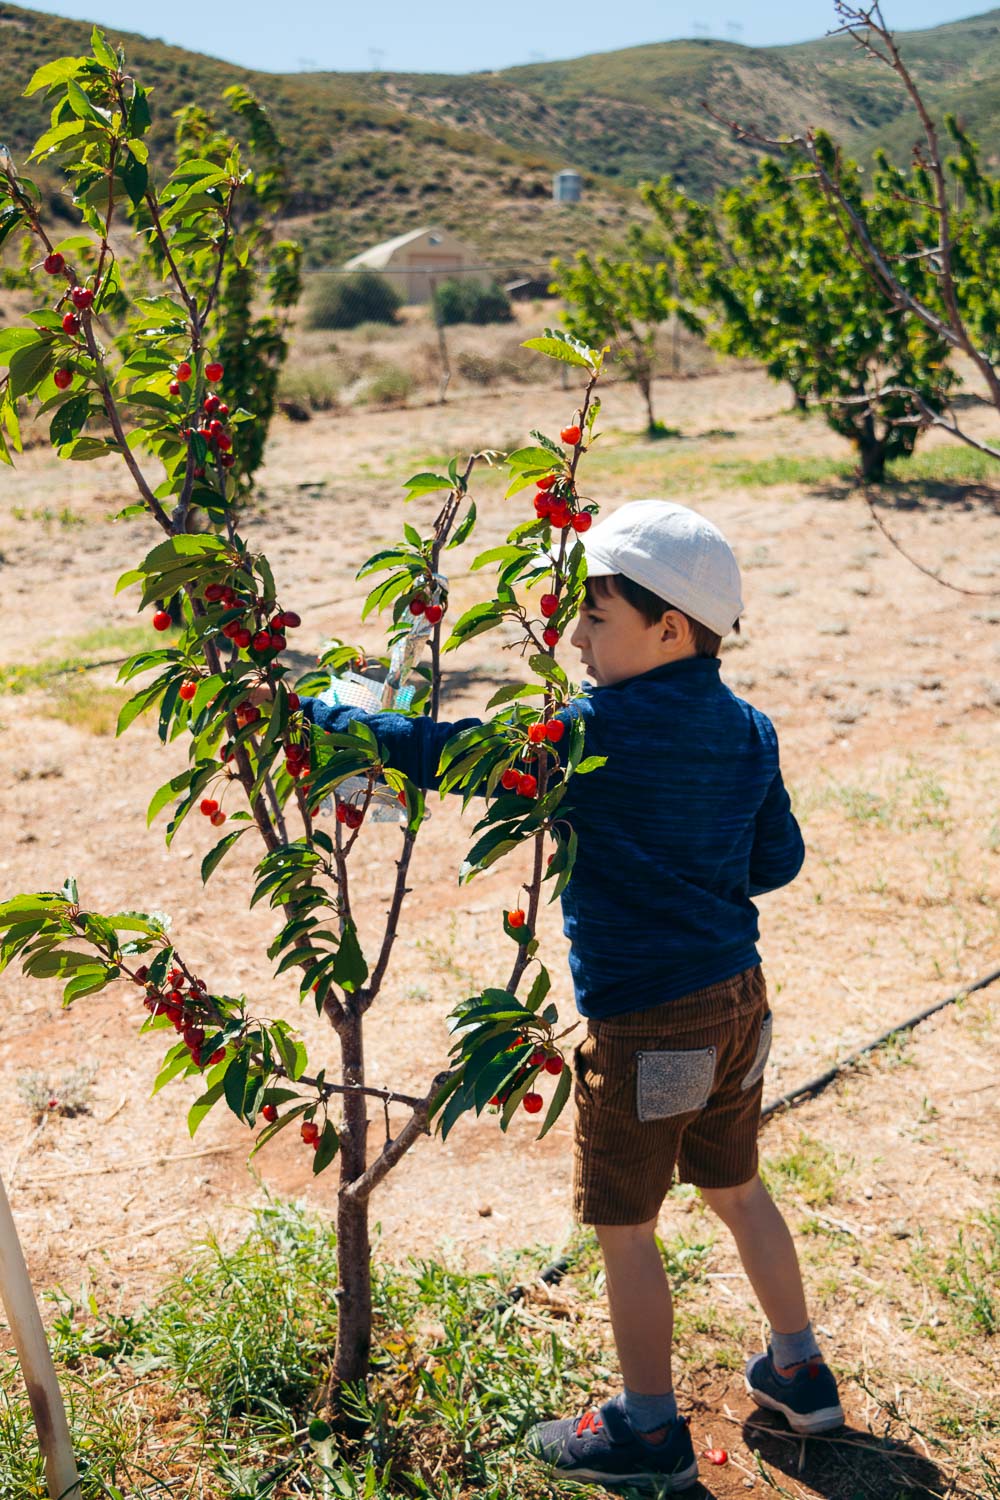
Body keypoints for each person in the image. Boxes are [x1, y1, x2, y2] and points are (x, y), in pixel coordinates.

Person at [293, 499, 844, 1491]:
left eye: (595, 618)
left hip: (647, 1026)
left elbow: (450, 756)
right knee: (735, 1186)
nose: (574, 638)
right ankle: (801, 1370)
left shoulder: (589, 736)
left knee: (625, 1225)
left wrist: (336, 718)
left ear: (667, 626)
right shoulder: (750, 729)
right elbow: (780, 858)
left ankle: (643, 1430)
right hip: (738, 1004)